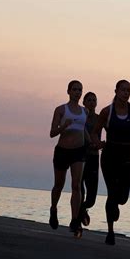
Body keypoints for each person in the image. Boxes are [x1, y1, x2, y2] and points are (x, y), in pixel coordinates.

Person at [91, 80, 130, 245]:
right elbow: (94, 132)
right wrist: (98, 143)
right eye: (123, 90)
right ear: (116, 91)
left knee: (123, 197)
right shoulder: (107, 112)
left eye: (129, 90)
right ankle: (110, 232)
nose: (126, 93)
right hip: (109, 155)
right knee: (112, 193)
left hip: (126, 155)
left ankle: (117, 205)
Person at [48, 80, 88, 238]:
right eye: (75, 89)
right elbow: (52, 133)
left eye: (80, 90)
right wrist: (64, 126)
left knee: (76, 185)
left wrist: (93, 143)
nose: (78, 92)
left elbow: (84, 131)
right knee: (59, 184)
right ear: (69, 91)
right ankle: (53, 208)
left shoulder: (85, 111)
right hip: (62, 151)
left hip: (79, 152)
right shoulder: (60, 109)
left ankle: (74, 220)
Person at [79, 92, 100, 227]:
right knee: (79, 189)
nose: (92, 102)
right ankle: (77, 220)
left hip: (94, 156)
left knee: (91, 197)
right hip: (80, 155)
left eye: (94, 100)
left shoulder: (100, 118)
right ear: (84, 102)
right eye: (89, 100)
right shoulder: (80, 116)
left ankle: (82, 209)